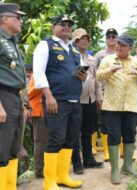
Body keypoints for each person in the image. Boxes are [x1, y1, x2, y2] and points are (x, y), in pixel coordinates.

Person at [33, 14, 84, 189]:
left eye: (69, 25)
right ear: (54, 26)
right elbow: (38, 73)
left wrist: (83, 75)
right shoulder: (45, 45)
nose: (66, 27)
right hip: (56, 100)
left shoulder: (75, 49)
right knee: (55, 138)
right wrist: (49, 96)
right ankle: (49, 181)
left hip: (74, 100)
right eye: (62, 24)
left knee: (70, 139)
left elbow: (81, 73)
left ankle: (62, 176)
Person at [96, 34, 137, 184]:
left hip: (131, 106)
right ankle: (114, 170)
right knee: (114, 136)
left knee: (130, 135)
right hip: (112, 106)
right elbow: (98, 76)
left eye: (123, 45)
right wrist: (110, 71)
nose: (118, 46)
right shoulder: (108, 60)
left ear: (129, 48)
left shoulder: (135, 61)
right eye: (118, 43)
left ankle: (127, 166)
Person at [0, 3, 26, 190]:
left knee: (13, 147)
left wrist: (23, 101)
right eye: (17, 17)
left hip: (15, 98)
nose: (21, 20)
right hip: (3, 98)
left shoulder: (12, 42)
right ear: (5, 19)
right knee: (2, 148)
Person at [71, 28, 103, 175]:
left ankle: (89, 159)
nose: (85, 41)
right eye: (82, 38)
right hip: (76, 100)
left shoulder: (91, 59)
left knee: (88, 131)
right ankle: (77, 162)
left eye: (87, 38)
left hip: (90, 100)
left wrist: (99, 98)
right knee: (75, 132)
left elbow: (97, 81)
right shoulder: (71, 56)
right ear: (75, 40)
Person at [94, 28, 118, 161]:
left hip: (118, 91)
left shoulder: (122, 53)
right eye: (109, 36)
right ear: (106, 38)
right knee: (103, 121)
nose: (111, 38)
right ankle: (107, 151)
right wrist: (98, 94)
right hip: (103, 91)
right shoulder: (100, 54)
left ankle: (118, 149)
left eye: (113, 36)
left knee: (117, 120)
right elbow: (96, 74)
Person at [27, 67, 47, 178]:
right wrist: (41, 84)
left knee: (43, 141)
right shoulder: (37, 75)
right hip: (38, 112)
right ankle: (39, 171)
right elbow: (28, 93)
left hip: (45, 112)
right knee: (40, 142)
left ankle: (44, 168)